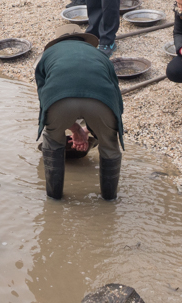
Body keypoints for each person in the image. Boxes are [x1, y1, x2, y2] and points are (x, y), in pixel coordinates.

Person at [34, 33, 124, 201]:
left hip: (60, 101)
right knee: (110, 144)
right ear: (83, 41)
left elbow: (45, 100)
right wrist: (89, 129)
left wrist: (74, 129)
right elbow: (115, 100)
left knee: (52, 140)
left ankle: (54, 200)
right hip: (101, 101)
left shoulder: (48, 56)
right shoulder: (100, 55)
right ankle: (109, 200)